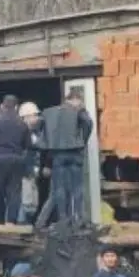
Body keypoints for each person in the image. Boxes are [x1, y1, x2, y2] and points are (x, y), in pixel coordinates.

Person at [37, 87, 94, 228]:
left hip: (58, 154)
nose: (81, 104)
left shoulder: (49, 112)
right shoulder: (78, 111)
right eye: (80, 101)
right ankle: (78, 218)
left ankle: (63, 218)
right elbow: (88, 123)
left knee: (59, 188)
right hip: (75, 152)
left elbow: (38, 126)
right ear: (75, 99)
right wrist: (83, 141)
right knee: (77, 187)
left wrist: (49, 142)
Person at [0, 95, 33, 224]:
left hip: (0, 159)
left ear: (3, 106)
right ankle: (11, 222)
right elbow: (29, 145)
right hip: (17, 160)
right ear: (17, 107)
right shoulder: (22, 124)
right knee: (14, 192)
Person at [17, 102, 43, 225]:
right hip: (24, 173)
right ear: (25, 117)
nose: (36, 118)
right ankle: (22, 226)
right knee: (25, 202)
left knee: (32, 204)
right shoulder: (20, 134)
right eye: (33, 116)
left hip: (32, 172)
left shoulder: (36, 133)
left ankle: (27, 225)